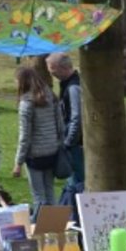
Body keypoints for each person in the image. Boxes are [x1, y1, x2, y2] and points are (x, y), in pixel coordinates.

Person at [12, 67, 61, 215]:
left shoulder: (26, 103)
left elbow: (25, 136)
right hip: (52, 151)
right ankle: (56, 228)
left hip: (35, 155)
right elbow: (60, 124)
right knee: (50, 192)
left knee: (39, 196)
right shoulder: (50, 96)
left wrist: (18, 163)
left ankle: (42, 230)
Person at [46, 53, 84, 188]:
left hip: (75, 144)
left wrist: (69, 141)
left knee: (77, 182)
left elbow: (77, 117)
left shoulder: (73, 87)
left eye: (52, 69)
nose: (51, 73)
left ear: (63, 68)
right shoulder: (66, 85)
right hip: (72, 142)